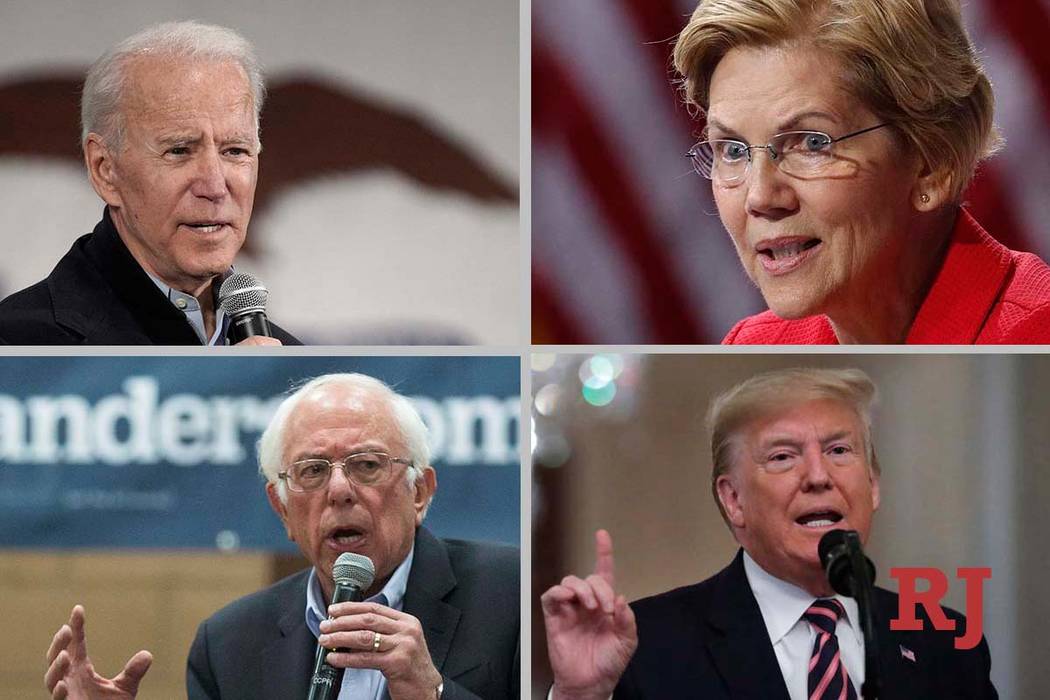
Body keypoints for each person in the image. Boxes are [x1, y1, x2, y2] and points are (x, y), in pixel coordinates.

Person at [44, 373, 519, 699]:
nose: (338, 491)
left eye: (368, 465)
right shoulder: (228, 645)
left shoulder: (511, 592)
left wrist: (432, 694)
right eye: (312, 471)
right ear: (283, 508)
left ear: (420, 492)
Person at [541, 368, 997, 699]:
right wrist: (579, 697)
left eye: (839, 450)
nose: (819, 476)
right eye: (783, 457)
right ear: (733, 499)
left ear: (873, 485)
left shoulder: (947, 642)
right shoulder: (647, 644)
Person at [672, 0, 1050, 344]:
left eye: (812, 143)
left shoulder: (1034, 340)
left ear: (932, 162)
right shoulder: (757, 348)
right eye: (733, 150)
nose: (760, 197)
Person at [0, 21, 297, 345]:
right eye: (179, 151)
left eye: (235, 150)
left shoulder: (299, 374)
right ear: (104, 170)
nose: (214, 186)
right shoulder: (19, 348)